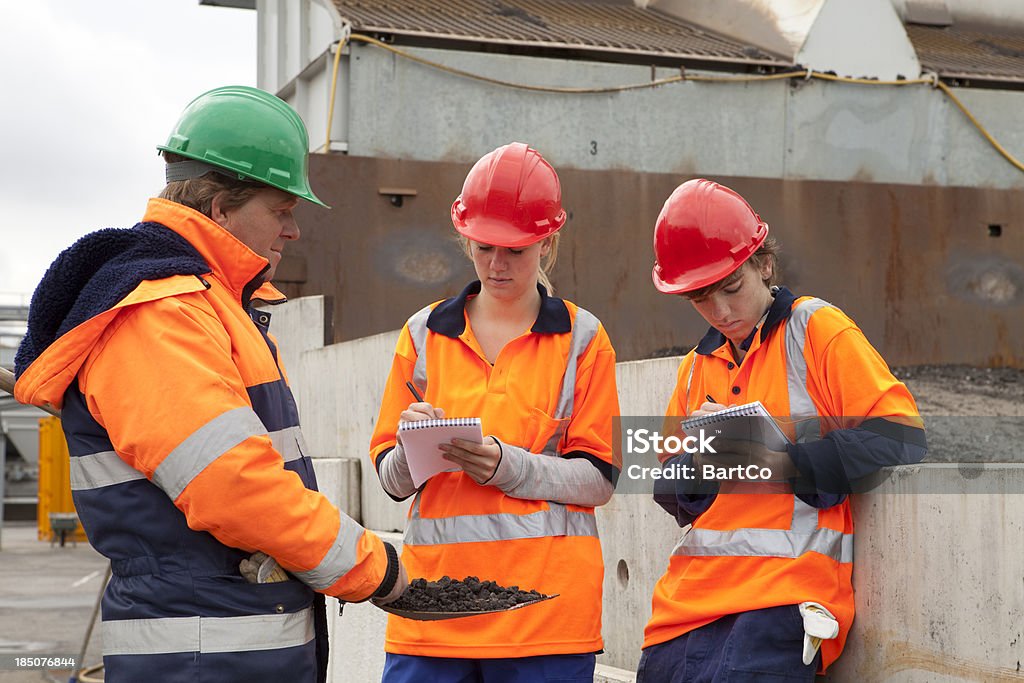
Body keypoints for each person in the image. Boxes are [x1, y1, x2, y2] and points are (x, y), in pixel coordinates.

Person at [14, 85, 406, 683]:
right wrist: (371, 567)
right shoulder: (161, 313)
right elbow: (232, 483)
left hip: (222, 644)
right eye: (281, 210)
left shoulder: (207, 305)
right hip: (204, 654)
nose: (293, 231)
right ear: (220, 208)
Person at [638, 178, 927, 681]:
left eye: (732, 289)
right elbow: (669, 486)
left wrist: (790, 462)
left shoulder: (816, 329)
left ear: (764, 265)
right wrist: (698, 471)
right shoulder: (695, 368)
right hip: (685, 607)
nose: (722, 312)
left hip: (785, 600)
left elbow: (901, 435)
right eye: (702, 300)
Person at [369, 142, 620, 682]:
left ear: (547, 243)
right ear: (465, 238)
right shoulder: (423, 333)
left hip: (544, 617)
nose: (497, 264)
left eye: (516, 251)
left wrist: (506, 466)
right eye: (484, 248)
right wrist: (415, 450)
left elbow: (599, 479)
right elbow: (389, 481)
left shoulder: (583, 339)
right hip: (433, 609)